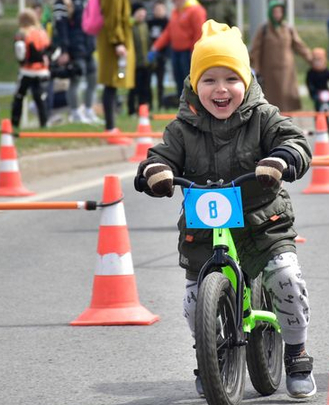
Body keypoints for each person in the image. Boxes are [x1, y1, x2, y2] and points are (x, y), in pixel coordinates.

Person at [135, 20, 316, 399]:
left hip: (262, 222)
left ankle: (297, 352)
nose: (221, 89)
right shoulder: (182, 128)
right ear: (194, 85)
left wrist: (281, 160)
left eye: (231, 79)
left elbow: (294, 140)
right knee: (193, 301)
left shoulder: (263, 116)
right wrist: (157, 172)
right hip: (204, 229)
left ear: (247, 81)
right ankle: (210, 351)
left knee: (287, 279)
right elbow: (160, 156)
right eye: (209, 80)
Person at [250, 0, 312, 112]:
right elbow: (255, 50)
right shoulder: (264, 29)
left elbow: (299, 45)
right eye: (275, 11)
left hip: (286, 73)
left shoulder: (288, 28)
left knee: (287, 100)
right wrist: (255, 68)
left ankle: (287, 124)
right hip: (269, 72)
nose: (277, 14)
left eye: (280, 12)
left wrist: (312, 59)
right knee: (270, 101)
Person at [52, 0, 99, 123]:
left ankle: (88, 110)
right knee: (76, 81)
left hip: (88, 47)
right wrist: (65, 49)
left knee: (93, 79)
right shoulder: (61, 3)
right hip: (75, 48)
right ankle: (75, 112)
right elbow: (61, 26)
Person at [150, 0, 207, 98]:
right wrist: (156, 47)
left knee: (190, 80)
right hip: (176, 51)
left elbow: (199, 33)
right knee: (179, 80)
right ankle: (183, 103)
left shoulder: (196, 10)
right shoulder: (176, 11)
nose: (173, 2)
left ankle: (194, 104)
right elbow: (168, 31)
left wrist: (194, 53)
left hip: (188, 52)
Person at [95, 0, 134, 132]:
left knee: (112, 83)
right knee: (111, 83)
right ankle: (110, 127)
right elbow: (113, 18)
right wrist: (118, 42)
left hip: (112, 42)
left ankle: (111, 126)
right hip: (114, 44)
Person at [11, 8, 51, 131]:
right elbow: (49, 49)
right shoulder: (42, 32)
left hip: (27, 70)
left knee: (19, 97)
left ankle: (15, 123)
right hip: (42, 70)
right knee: (40, 99)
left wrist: (22, 61)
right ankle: (44, 123)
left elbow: (20, 50)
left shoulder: (22, 34)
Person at [306, 47, 329, 133]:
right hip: (317, 93)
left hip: (326, 92)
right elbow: (309, 83)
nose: (318, 62)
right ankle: (319, 123)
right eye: (315, 60)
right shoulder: (311, 73)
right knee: (318, 107)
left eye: (320, 60)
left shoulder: (326, 71)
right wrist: (313, 91)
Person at [128, 2, 152, 115]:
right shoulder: (130, 26)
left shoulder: (145, 26)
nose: (142, 14)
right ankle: (131, 110)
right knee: (133, 89)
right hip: (134, 64)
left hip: (145, 63)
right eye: (139, 12)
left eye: (143, 12)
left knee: (145, 88)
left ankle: (143, 109)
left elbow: (148, 43)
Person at [147, 0, 169, 109]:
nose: (158, 11)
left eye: (160, 9)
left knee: (161, 83)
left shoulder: (167, 22)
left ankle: (161, 104)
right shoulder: (150, 22)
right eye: (157, 9)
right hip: (151, 56)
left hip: (162, 56)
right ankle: (150, 104)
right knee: (149, 82)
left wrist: (165, 55)